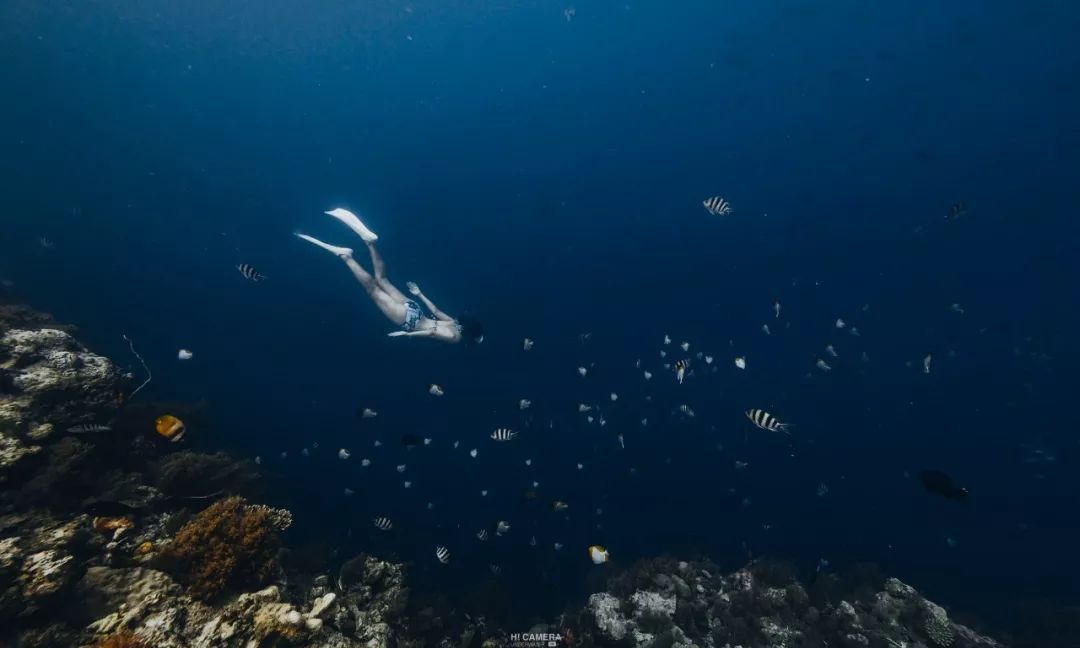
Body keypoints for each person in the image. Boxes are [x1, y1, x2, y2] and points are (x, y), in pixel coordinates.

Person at [297, 208, 483, 344]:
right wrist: (407, 335)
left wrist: (419, 294)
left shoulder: (453, 322)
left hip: (415, 309)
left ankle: (370, 243)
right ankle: (346, 257)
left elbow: (435, 310)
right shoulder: (454, 337)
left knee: (382, 280)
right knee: (372, 291)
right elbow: (432, 334)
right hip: (409, 321)